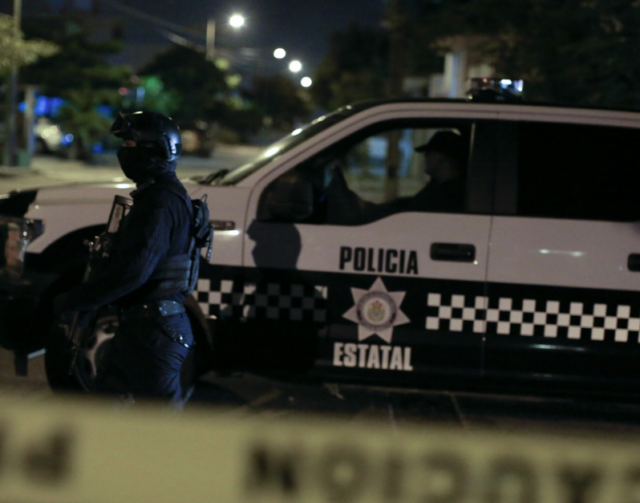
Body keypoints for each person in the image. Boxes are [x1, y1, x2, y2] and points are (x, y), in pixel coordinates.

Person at [60, 111, 195, 408]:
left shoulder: (161, 201)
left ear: (156, 148)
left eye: (131, 145)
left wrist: (78, 298)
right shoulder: (153, 195)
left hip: (156, 333)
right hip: (139, 328)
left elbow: (135, 270)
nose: (124, 152)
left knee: (161, 428)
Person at [402, 130, 467, 213]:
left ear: (442, 157)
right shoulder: (436, 186)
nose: (425, 156)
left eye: (429, 153)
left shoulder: (452, 195)